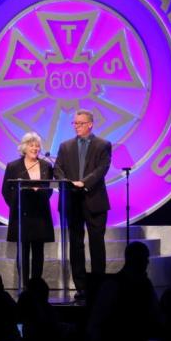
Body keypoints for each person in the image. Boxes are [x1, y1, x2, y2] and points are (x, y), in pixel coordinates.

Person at [54, 109, 112, 300]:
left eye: (80, 123)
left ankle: (98, 285)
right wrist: (68, 183)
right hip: (72, 200)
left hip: (94, 200)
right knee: (76, 244)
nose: (76, 126)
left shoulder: (103, 145)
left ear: (90, 124)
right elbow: (58, 168)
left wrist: (84, 183)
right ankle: (81, 286)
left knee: (96, 243)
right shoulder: (65, 146)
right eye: (74, 123)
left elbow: (101, 169)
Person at [2, 132, 54, 284]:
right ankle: (24, 286)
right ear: (24, 148)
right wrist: (16, 205)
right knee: (23, 251)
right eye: (31, 145)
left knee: (39, 252)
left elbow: (49, 188)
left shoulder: (46, 165)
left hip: (40, 214)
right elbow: (5, 190)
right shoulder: (13, 166)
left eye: (37, 145)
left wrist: (41, 195)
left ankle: (36, 285)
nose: (35, 148)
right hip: (22, 215)